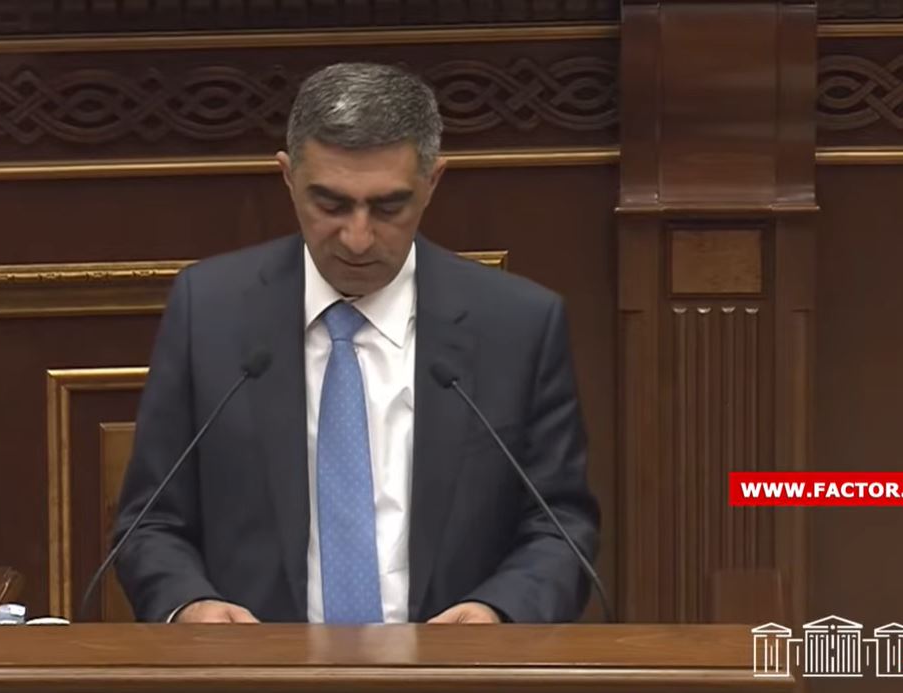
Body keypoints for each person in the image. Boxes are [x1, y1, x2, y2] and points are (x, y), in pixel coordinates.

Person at [113, 62, 599, 624]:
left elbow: (560, 527)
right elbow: (151, 522)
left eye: (388, 207)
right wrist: (190, 605)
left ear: (433, 182)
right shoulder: (210, 312)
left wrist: (497, 612)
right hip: (256, 663)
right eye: (331, 205)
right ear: (287, 177)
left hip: (450, 665)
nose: (358, 238)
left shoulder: (517, 325)